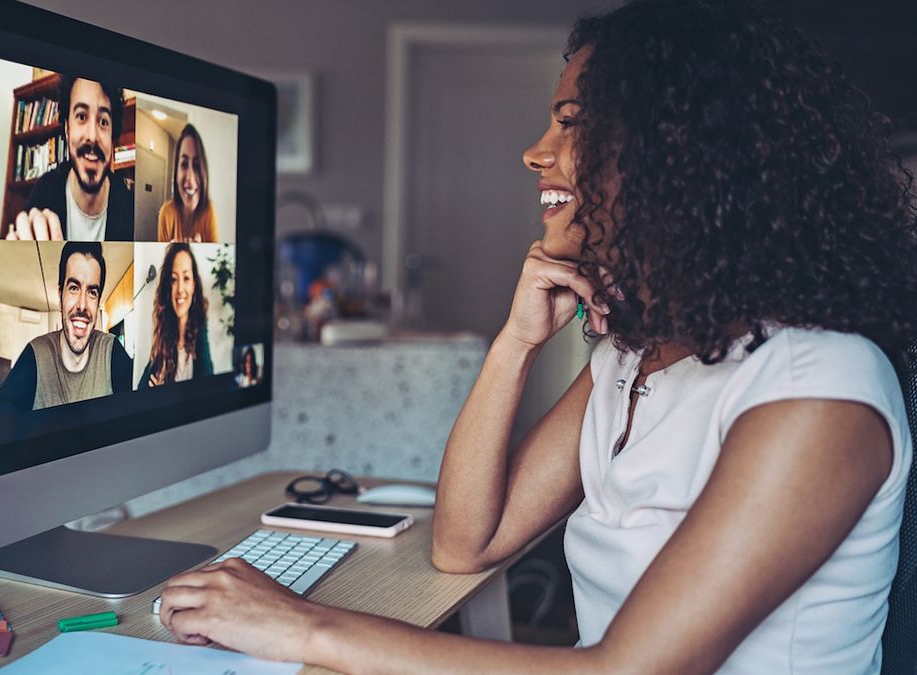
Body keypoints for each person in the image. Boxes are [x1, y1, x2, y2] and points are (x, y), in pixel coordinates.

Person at [155, 1, 917, 671]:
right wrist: (516, 343)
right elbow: (465, 543)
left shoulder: (818, 389)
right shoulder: (633, 356)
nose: (536, 151)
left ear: (673, 152)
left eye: (573, 123)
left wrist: (304, 624)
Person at [0, 242, 133, 411]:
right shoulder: (36, 353)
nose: (82, 305)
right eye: (74, 288)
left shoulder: (111, 350)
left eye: (92, 292)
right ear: (60, 296)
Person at [6, 76, 134, 241]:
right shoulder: (44, 191)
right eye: (81, 117)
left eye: (103, 122)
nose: (92, 137)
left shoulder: (129, 206)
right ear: (67, 129)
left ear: (112, 137)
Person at [139, 243, 214, 387]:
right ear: (168, 287)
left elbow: (208, 385)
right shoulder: (164, 336)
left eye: (186, 278)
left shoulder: (200, 327)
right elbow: (141, 388)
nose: (180, 289)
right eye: (174, 279)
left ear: (193, 284)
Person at [157, 124, 217, 242]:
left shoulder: (209, 211)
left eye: (196, 165)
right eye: (184, 164)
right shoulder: (166, 213)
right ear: (176, 171)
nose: (190, 178)